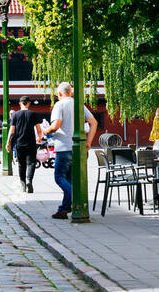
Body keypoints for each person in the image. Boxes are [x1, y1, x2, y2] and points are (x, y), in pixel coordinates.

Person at [43, 82, 95, 218]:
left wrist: (45, 131)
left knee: (59, 177)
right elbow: (93, 122)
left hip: (64, 147)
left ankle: (74, 197)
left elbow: (56, 125)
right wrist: (88, 142)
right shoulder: (79, 104)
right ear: (70, 93)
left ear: (60, 93)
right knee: (70, 179)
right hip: (78, 148)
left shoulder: (59, 105)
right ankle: (63, 210)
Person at [7, 96, 40, 192]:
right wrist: (40, 138)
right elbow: (38, 129)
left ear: (20, 103)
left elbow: (12, 130)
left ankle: (23, 184)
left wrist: (8, 142)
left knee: (21, 164)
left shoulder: (15, 115)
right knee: (31, 163)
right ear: (29, 103)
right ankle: (29, 180)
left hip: (19, 143)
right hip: (31, 142)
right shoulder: (33, 114)